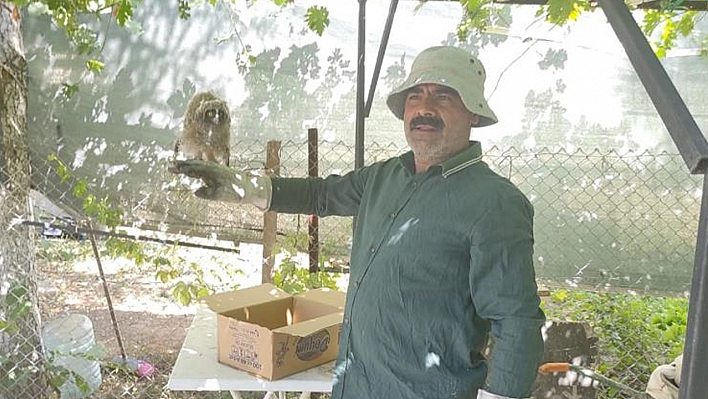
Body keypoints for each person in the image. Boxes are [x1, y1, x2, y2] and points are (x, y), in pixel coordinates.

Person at [170, 46, 545, 399]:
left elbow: (517, 323)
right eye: (415, 96)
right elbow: (321, 194)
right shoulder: (386, 176)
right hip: (355, 383)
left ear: (473, 113)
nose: (424, 108)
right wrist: (242, 187)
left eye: (443, 96)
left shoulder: (496, 203)